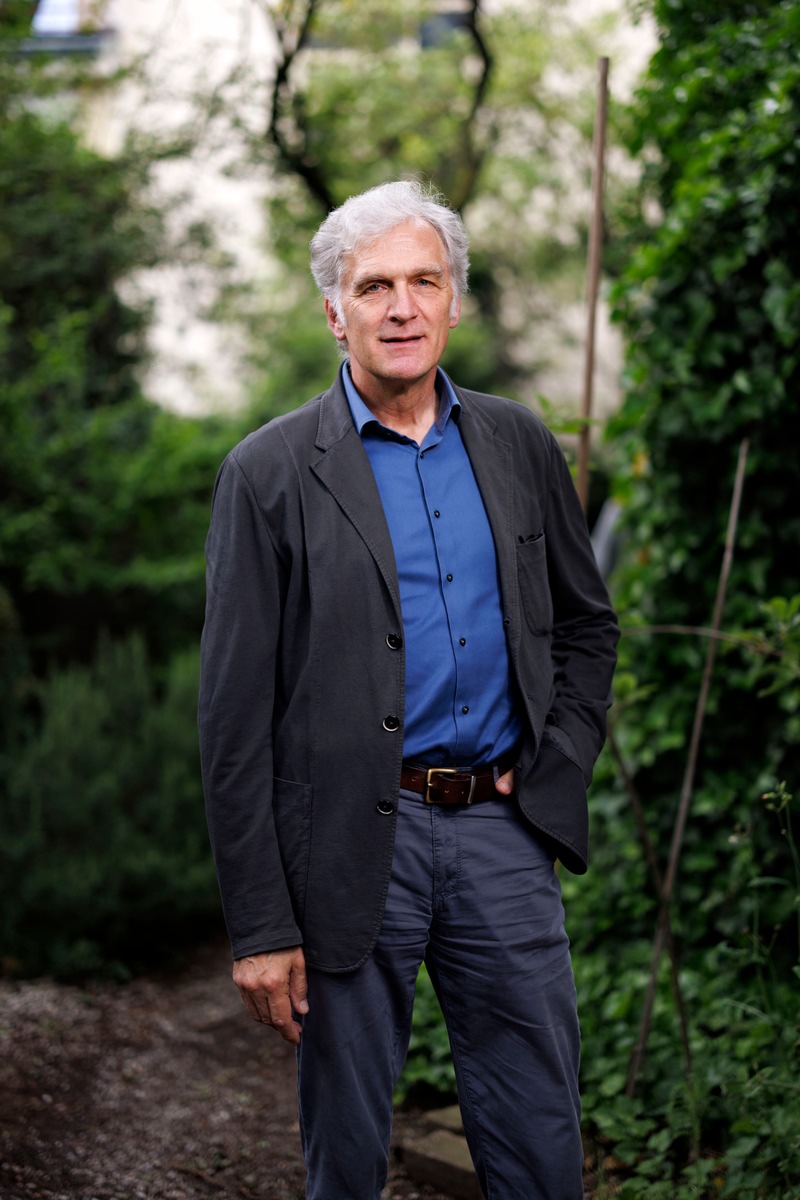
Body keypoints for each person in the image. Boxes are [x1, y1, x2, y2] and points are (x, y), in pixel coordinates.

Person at [198, 179, 619, 1200]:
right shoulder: (267, 472)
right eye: (373, 286)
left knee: (539, 1135)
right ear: (332, 312)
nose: (401, 307)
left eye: (423, 281)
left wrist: (557, 759)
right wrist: (262, 927)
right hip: (346, 845)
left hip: (500, 834)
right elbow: (233, 719)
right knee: (346, 1150)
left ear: (453, 301)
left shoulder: (519, 442)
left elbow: (585, 626)